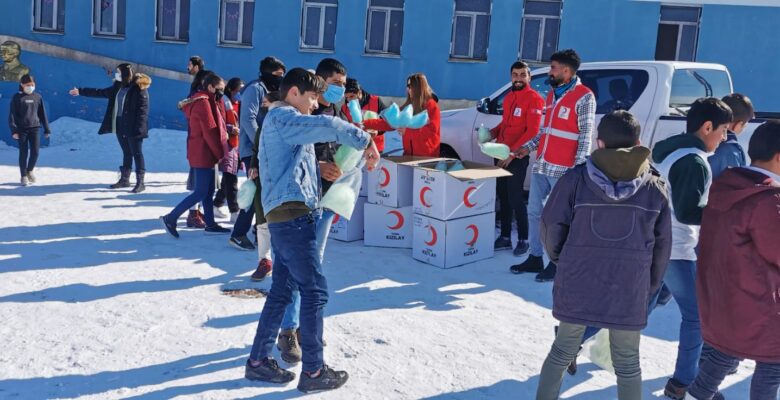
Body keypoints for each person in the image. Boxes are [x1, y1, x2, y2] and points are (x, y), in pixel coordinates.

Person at [244, 68, 379, 393]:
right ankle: (315, 372)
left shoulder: (282, 126)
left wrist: (320, 168)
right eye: (313, 97)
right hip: (292, 219)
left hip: (286, 217)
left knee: (280, 293)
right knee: (315, 291)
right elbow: (327, 125)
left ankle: (258, 362)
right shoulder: (284, 118)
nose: (316, 104)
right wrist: (365, 140)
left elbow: (287, 165)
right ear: (293, 93)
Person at [535, 110, 672, 400]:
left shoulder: (575, 179)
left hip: (578, 277)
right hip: (629, 283)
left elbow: (550, 225)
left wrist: (563, 260)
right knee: (627, 362)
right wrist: (649, 286)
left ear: (599, 143)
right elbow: (663, 246)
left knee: (561, 351)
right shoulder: (655, 187)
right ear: (638, 142)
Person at [686, 120, 780, 400]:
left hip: (723, 302)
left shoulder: (728, 185)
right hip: (759, 304)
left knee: (724, 355)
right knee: (773, 365)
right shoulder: (766, 199)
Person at [650, 97, 733, 400]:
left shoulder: (670, 148)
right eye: (722, 131)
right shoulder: (694, 161)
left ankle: (575, 338)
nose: (724, 138)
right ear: (707, 126)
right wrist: (722, 211)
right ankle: (684, 381)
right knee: (697, 316)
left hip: (656, 241)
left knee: (641, 305)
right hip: (676, 247)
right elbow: (687, 212)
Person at [272, 57, 352, 365]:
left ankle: (306, 326)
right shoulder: (299, 113)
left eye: (343, 86)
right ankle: (288, 330)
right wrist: (319, 167)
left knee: (312, 268)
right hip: (298, 203)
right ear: (318, 83)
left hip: (327, 200)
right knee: (294, 267)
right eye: (335, 85)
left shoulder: (337, 111)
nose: (339, 92)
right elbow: (287, 153)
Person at [509, 49, 596, 282]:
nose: (550, 71)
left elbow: (586, 136)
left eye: (554, 68)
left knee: (559, 219)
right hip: (542, 165)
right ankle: (535, 257)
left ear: (567, 71)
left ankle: (557, 263)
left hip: (564, 170)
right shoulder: (551, 95)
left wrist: (578, 169)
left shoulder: (584, 96)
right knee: (534, 212)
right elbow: (544, 131)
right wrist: (527, 147)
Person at [229, 56, 286, 270]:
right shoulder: (255, 89)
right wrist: (262, 144)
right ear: (267, 73)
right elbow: (247, 119)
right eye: (278, 75)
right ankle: (238, 233)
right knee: (256, 190)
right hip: (252, 149)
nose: (280, 79)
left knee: (262, 191)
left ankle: (255, 228)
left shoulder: (270, 89)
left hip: (264, 149)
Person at [160, 73, 231, 237]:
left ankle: (211, 224)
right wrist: (220, 152)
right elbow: (210, 131)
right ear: (210, 87)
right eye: (219, 89)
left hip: (204, 151)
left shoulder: (207, 100)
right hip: (203, 152)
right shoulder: (203, 103)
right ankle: (171, 218)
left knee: (209, 190)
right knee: (200, 191)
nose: (221, 92)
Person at [490, 61, 545, 256]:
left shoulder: (535, 99)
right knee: (503, 197)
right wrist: (491, 133)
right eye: (515, 74)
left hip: (517, 157)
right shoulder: (509, 98)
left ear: (529, 77)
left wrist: (512, 153)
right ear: (511, 76)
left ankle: (523, 239)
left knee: (515, 198)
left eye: (523, 75)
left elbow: (532, 131)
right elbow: (505, 124)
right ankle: (505, 237)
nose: (519, 78)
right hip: (500, 155)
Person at [69, 63, 151, 193]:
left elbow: (143, 111)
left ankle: (140, 182)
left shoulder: (139, 88)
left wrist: (139, 129)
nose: (115, 74)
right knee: (126, 152)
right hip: (119, 125)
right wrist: (80, 91)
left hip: (133, 127)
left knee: (137, 153)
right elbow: (100, 92)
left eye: (118, 72)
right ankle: (125, 179)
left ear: (125, 73)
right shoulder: (118, 86)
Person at [363, 73, 441, 157]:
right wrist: (364, 124)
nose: (407, 89)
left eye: (410, 86)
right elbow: (390, 123)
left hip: (427, 157)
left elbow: (431, 131)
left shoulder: (432, 106)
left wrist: (407, 131)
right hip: (408, 156)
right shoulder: (409, 107)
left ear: (418, 87)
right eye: (407, 86)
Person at [9, 74, 50, 186]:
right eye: (27, 85)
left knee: (35, 152)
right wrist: (14, 130)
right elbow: (12, 115)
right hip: (21, 130)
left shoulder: (38, 97)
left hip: (35, 128)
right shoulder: (17, 97)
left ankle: (30, 170)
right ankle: (23, 176)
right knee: (23, 152)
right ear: (22, 85)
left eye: (32, 85)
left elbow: (42, 114)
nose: (30, 87)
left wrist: (47, 129)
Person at [183, 56, 208, 229]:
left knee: (203, 179)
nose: (187, 67)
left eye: (190, 65)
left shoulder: (200, 86)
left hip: (200, 138)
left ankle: (197, 211)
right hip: (198, 138)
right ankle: (193, 212)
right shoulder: (198, 92)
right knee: (198, 177)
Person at [213, 77, 244, 221]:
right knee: (231, 179)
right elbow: (219, 122)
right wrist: (231, 129)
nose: (240, 94)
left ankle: (216, 204)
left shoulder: (239, 103)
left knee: (228, 177)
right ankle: (234, 211)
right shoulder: (223, 101)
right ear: (231, 89)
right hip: (227, 144)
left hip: (236, 144)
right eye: (238, 90)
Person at [707, 93, 754, 179]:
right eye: (744, 125)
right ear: (738, 125)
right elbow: (733, 187)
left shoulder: (704, 138)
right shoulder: (730, 151)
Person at [340, 77, 388, 152]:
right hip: (356, 150)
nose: (349, 100)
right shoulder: (344, 108)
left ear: (359, 92)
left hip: (376, 148)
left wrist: (377, 131)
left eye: (352, 96)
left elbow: (387, 122)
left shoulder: (376, 101)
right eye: (347, 97)